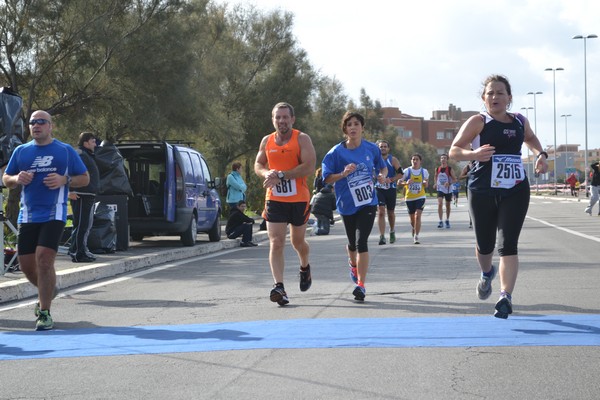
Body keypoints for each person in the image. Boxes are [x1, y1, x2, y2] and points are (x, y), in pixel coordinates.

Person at [449, 74, 548, 319]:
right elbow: (454, 151)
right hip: (482, 190)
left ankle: (505, 296)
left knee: (508, 245)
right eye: (490, 93)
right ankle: (486, 273)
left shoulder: (519, 121)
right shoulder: (478, 122)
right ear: (484, 98)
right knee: (485, 246)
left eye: (500, 93)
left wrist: (540, 154)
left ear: (509, 98)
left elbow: (531, 139)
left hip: (515, 190)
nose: (495, 97)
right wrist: (474, 155)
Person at [2, 110, 89, 330]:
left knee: (44, 259)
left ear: (51, 126)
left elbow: (85, 178)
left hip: (55, 212)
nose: (36, 125)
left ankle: (44, 312)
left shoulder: (65, 151)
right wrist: (16, 178)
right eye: (32, 122)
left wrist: (64, 179)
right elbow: (5, 178)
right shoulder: (21, 151)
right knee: (26, 266)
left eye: (41, 122)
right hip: (28, 215)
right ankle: (48, 289)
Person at [254, 102, 316, 306]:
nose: (281, 121)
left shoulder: (302, 139)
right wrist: (267, 174)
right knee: (276, 242)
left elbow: (308, 166)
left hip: (298, 199)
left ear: (292, 119)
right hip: (275, 198)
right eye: (277, 117)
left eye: (285, 117)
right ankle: (279, 286)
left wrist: (282, 175)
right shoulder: (267, 140)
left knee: (298, 243)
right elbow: (258, 164)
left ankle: (304, 266)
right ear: (273, 120)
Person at [322, 111, 387, 301]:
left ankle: (361, 285)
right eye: (349, 124)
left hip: (367, 202)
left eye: (356, 124)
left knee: (361, 242)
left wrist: (382, 175)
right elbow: (326, 178)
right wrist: (342, 174)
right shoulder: (336, 152)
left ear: (362, 128)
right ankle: (352, 263)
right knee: (352, 244)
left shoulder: (371, 149)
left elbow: (381, 166)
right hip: (346, 203)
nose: (353, 127)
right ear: (345, 129)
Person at [68, 132, 100, 263]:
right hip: (80, 195)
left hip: (87, 195)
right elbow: (70, 171)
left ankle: (81, 250)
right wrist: (70, 191)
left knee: (85, 225)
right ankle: (77, 253)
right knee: (81, 225)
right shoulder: (80, 154)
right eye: (93, 141)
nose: (95, 144)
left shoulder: (87, 155)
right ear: (86, 142)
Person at [375, 139, 403, 245]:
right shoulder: (374, 159)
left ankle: (392, 231)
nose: (383, 148)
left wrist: (391, 179)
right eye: (381, 146)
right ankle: (382, 236)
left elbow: (401, 173)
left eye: (384, 146)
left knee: (390, 213)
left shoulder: (392, 160)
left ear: (388, 148)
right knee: (381, 211)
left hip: (390, 189)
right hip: (378, 188)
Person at [399, 153, 429, 244]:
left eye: (417, 159)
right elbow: (399, 182)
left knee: (417, 215)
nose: (415, 161)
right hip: (409, 198)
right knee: (412, 219)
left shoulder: (424, 172)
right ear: (411, 161)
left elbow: (427, 184)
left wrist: (424, 183)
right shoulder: (407, 171)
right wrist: (406, 183)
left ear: (420, 161)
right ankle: (414, 228)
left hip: (420, 196)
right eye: (413, 159)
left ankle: (416, 236)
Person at [434, 154, 455, 229]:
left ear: (447, 160)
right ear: (440, 160)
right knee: (440, 204)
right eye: (442, 158)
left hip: (448, 189)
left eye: (444, 158)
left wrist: (449, 183)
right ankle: (440, 221)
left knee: (447, 205)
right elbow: (435, 176)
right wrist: (435, 183)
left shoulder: (449, 169)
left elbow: (455, 179)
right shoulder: (437, 169)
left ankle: (447, 220)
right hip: (440, 189)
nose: (443, 159)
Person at [459, 160, 474, 228]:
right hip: (469, 187)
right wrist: (467, 175)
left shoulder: (480, 164)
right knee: (471, 204)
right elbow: (460, 177)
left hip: (480, 187)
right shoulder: (467, 167)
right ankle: (471, 221)